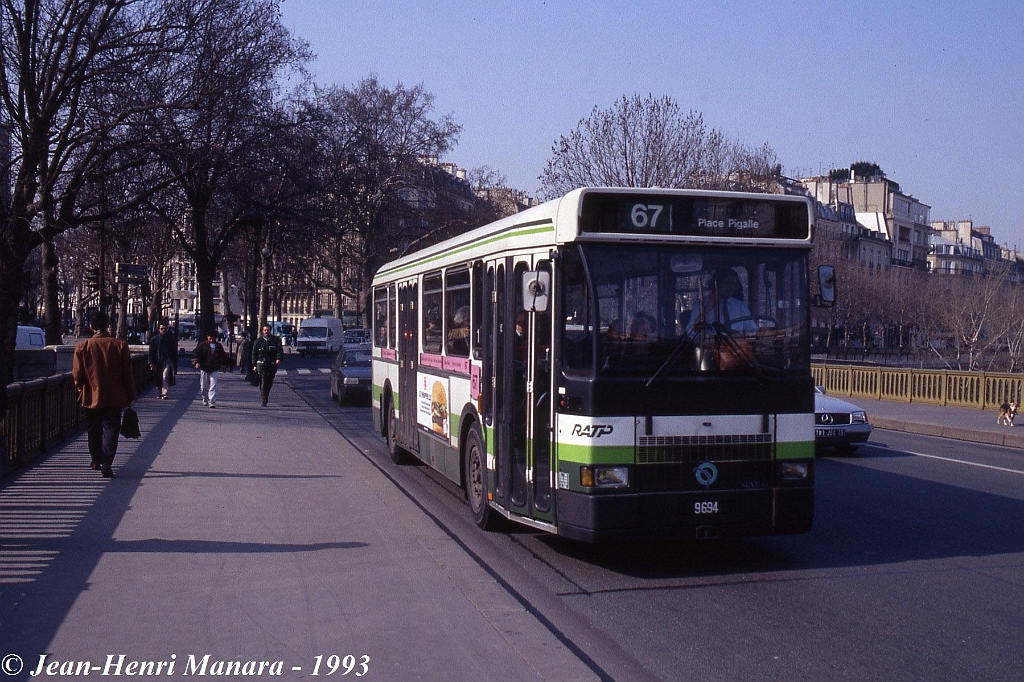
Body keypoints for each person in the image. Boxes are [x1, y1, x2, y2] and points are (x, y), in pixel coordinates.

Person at [72, 311, 136, 478]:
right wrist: (130, 395)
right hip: (115, 396)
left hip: (91, 396)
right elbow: (127, 374)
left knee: (93, 429)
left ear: (91, 327)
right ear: (108, 325)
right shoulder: (120, 345)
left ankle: (95, 459)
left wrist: (80, 389)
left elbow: (77, 375)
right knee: (111, 429)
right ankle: (107, 462)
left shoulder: (82, 346)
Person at [689, 267, 758, 336]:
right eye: (728, 283)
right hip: (710, 346)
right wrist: (707, 308)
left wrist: (740, 336)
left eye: (734, 284)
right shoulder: (701, 305)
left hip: (737, 346)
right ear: (717, 284)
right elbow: (690, 333)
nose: (731, 288)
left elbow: (753, 331)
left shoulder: (741, 306)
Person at [191, 329, 229, 408]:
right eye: (210, 338)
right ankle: (205, 398)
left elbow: (223, 356)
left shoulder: (218, 346)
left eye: (213, 338)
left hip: (214, 368)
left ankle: (212, 401)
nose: (211, 339)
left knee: (213, 385)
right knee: (203, 386)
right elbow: (196, 354)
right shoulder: (202, 345)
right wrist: (196, 362)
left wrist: (226, 365)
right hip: (204, 367)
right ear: (207, 337)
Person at [251, 324, 283, 406]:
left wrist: (278, 358)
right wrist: (254, 364)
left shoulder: (275, 340)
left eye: (268, 330)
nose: (266, 331)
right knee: (263, 381)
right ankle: (264, 399)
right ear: (262, 331)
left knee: (269, 382)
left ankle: (266, 393)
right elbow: (254, 353)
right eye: (265, 330)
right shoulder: (258, 341)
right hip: (261, 364)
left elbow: (279, 351)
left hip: (271, 364)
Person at [148, 321, 178, 399]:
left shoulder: (170, 339)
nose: (163, 330)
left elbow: (174, 352)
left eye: (165, 329)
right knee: (158, 377)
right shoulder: (154, 339)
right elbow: (151, 352)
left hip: (167, 360)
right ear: (159, 329)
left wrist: (174, 363)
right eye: (162, 329)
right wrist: (151, 362)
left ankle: (165, 393)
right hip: (157, 361)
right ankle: (160, 392)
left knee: (165, 376)